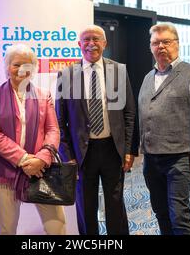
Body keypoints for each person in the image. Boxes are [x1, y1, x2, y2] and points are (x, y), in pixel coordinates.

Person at [56, 24, 136, 235]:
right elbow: (59, 121)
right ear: (79, 44)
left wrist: (128, 149)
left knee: (115, 203)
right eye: (86, 40)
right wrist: (68, 157)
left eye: (96, 39)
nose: (91, 44)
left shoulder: (118, 71)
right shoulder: (66, 75)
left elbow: (129, 114)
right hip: (82, 154)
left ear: (104, 43)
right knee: (86, 205)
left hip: (113, 149)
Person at [0, 44, 66, 235]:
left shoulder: (43, 95)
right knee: (7, 229)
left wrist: (41, 159)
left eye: (27, 65)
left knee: (57, 226)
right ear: (7, 67)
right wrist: (24, 159)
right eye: (16, 64)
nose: (21, 70)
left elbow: (53, 129)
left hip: (41, 170)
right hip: (5, 171)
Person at [138, 22, 190, 235]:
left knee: (179, 215)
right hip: (151, 159)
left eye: (166, 42)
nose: (160, 47)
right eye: (155, 43)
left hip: (178, 158)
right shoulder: (148, 77)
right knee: (161, 212)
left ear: (177, 44)